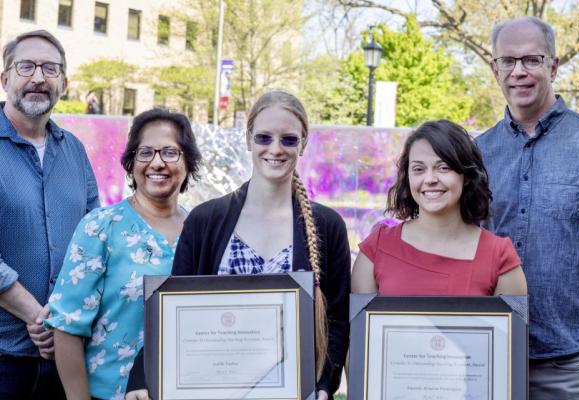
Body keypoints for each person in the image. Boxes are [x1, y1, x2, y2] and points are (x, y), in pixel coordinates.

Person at [125, 90, 351, 400]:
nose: (275, 149)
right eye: (263, 138)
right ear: (248, 140)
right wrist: (142, 375)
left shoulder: (328, 226)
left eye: (288, 139)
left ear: (304, 143)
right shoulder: (206, 221)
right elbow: (172, 311)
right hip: (213, 389)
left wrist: (325, 385)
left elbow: (337, 318)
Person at [476, 16, 579, 399]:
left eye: (531, 60)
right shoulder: (477, 153)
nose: (519, 72)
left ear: (553, 65)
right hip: (490, 353)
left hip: (576, 361)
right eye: (508, 62)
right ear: (495, 69)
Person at [44, 109, 201, 400]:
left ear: (188, 161)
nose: (157, 162)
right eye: (145, 153)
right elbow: (66, 327)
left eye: (170, 152)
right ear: (131, 163)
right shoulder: (101, 227)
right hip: (109, 393)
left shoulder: (200, 231)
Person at [0, 30, 99, 399]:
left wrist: (62, 318)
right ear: (5, 78)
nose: (38, 77)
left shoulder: (73, 150)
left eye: (50, 69)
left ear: (64, 83)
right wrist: (36, 316)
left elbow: (94, 238)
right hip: (5, 359)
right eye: (26, 66)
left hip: (67, 356)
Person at [352, 120, 527, 297]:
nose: (430, 179)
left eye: (443, 167)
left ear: (466, 176)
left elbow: (513, 324)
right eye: (418, 169)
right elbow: (361, 323)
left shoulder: (500, 257)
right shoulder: (376, 250)